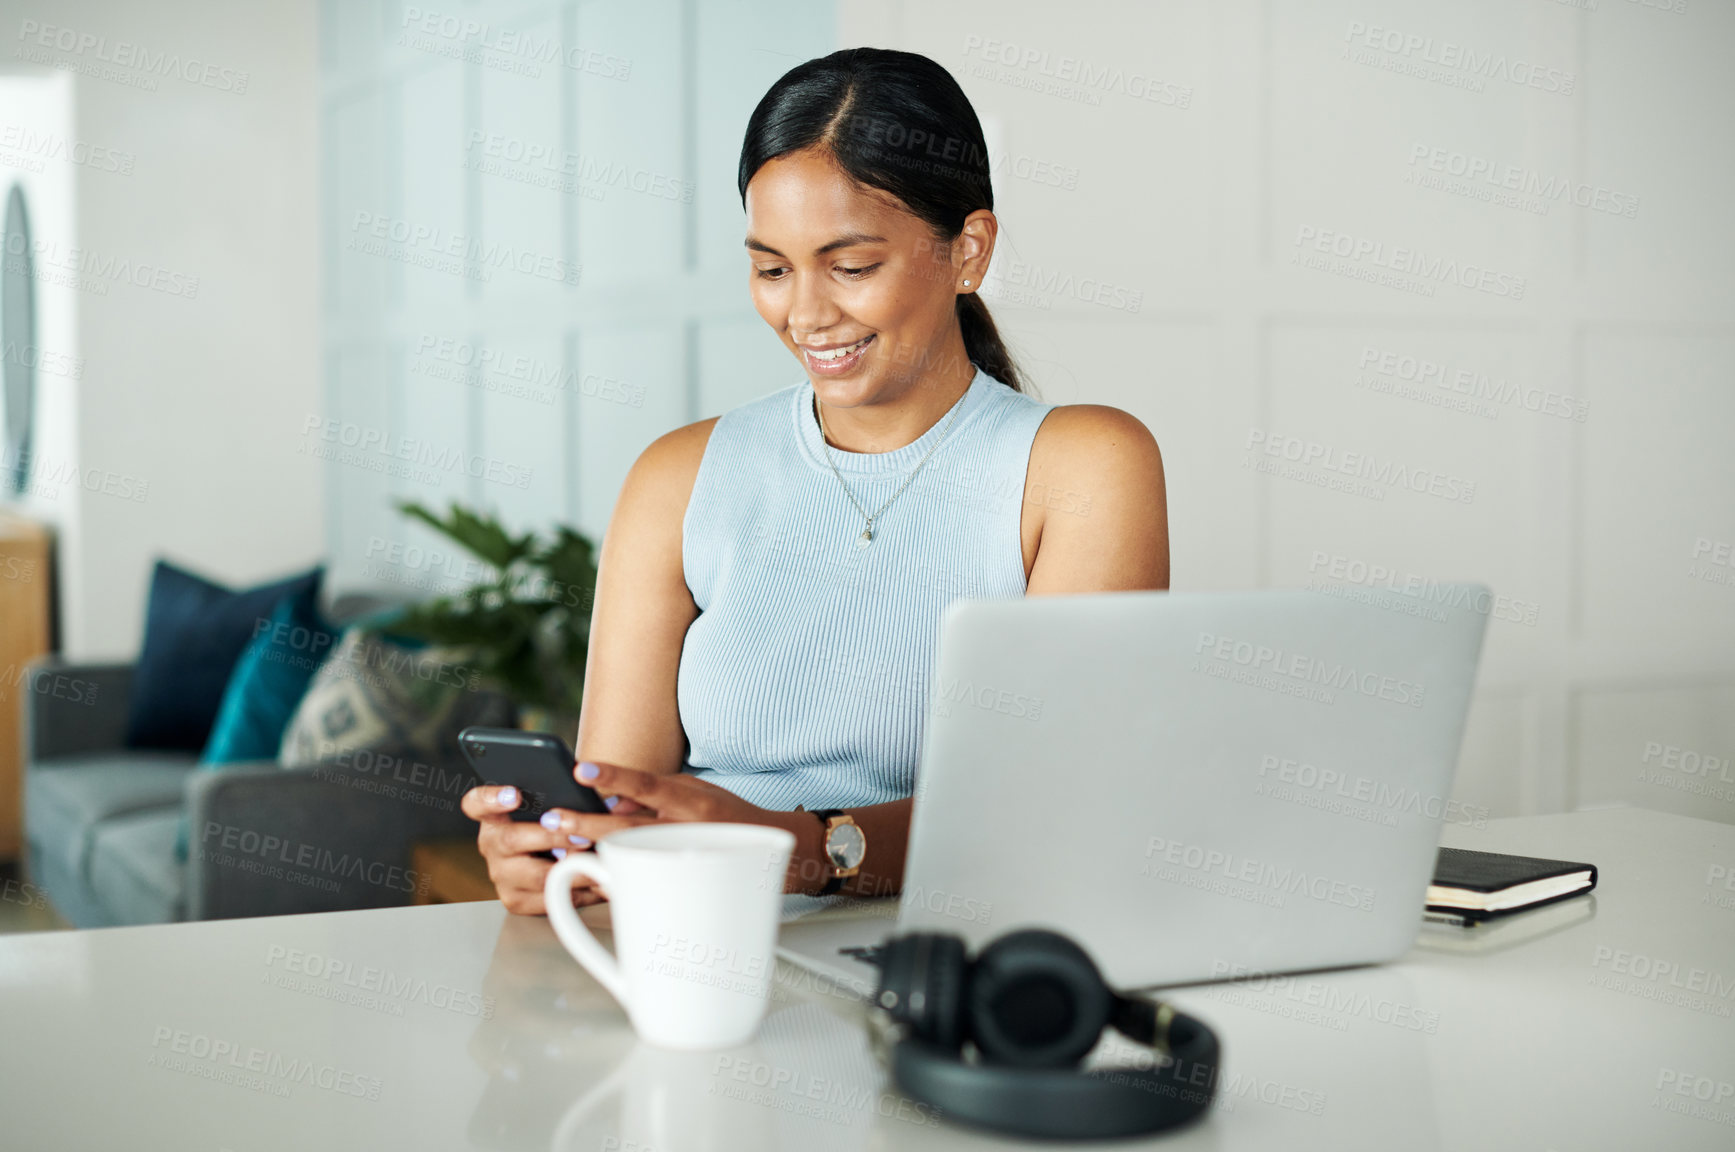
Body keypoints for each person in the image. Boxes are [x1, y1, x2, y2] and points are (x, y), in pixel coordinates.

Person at [460, 47, 1168, 915]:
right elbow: (626, 797)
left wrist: (792, 850)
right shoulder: (677, 478)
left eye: (851, 266)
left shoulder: (1082, 467)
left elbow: (1047, 814)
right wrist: (561, 853)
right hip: (692, 951)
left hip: (943, 957)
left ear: (968, 251)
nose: (804, 313)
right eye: (771, 268)